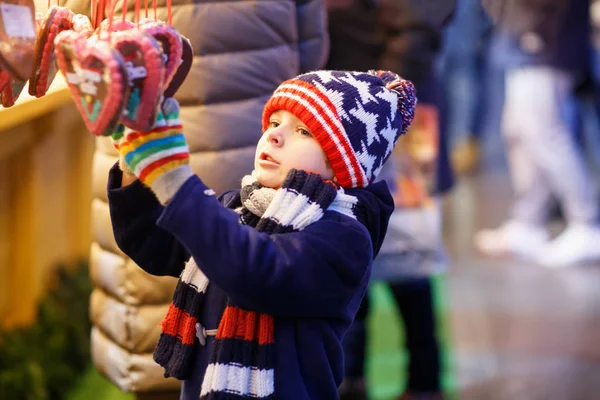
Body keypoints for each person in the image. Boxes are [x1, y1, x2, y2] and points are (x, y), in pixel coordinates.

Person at [66, 0, 330, 395]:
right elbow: (310, 59)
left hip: (240, 174)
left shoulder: (337, 234)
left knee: (212, 296)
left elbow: (75, 44)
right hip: (236, 157)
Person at [106, 70, 417, 399]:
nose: (275, 136)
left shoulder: (344, 238)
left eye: (303, 131)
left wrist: (176, 182)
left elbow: (254, 271)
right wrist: (133, 162)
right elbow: (153, 243)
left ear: (343, 165)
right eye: (273, 123)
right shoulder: (239, 207)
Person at [325, 1, 455, 399]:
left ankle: (423, 380)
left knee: (406, 257)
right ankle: (352, 380)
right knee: (347, 252)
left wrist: (378, 109)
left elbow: (417, 34)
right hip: (344, 119)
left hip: (385, 121)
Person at [475, 0, 600, 267]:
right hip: (522, 36)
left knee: (547, 134)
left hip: (545, 38)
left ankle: (586, 223)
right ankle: (529, 222)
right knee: (519, 133)